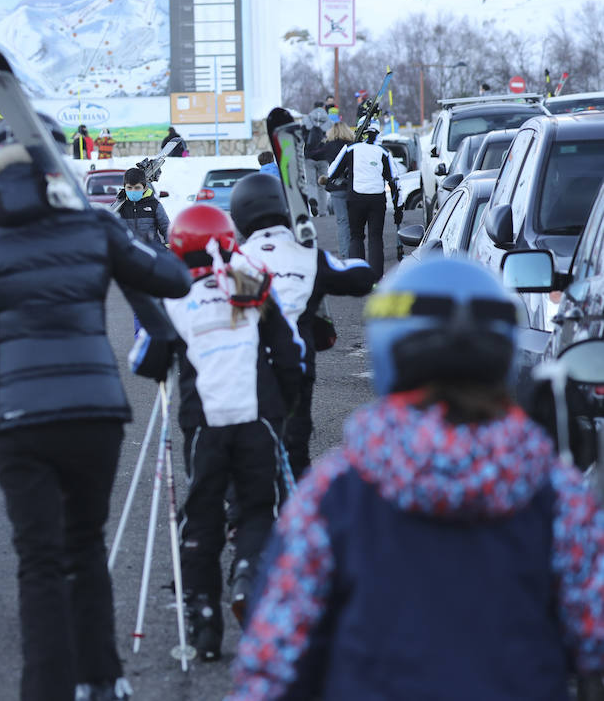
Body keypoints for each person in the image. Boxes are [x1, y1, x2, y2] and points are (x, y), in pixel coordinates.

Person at [0, 120, 192, 701]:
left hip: (19, 420)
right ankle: (103, 680)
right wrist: (116, 237)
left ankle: (48, 689)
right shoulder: (95, 225)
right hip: (95, 415)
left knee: (39, 560)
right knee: (84, 544)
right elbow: (174, 278)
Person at [229, 258, 604, 700]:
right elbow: (593, 636)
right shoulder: (557, 494)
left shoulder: (333, 495)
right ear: (500, 349)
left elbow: (271, 663)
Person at [144, 204, 305, 662]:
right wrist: (285, 407)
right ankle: (250, 576)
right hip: (259, 417)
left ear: (177, 246)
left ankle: (204, 623)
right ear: (229, 240)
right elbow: (290, 353)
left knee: (203, 513)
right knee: (258, 507)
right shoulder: (249, 282)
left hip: (204, 422)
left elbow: (147, 361)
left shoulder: (173, 295)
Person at [231, 172, 377, 475]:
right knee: (293, 450)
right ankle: (296, 512)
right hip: (296, 370)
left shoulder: (235, 259)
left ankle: (242, 514)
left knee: (248, 452)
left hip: (244, 371)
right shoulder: (309, 256)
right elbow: (362, 277)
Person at [324, 126, 400, 276]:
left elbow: (332, 172)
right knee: (375, 238)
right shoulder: (383, 151)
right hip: (377, 198)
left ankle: (357, 275)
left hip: (356, 197)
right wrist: (398, 207)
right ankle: (376, 277)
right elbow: (394, 179)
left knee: (356, 236)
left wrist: (344, 176)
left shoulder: (350, 148)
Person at [313, 121, 356, 258]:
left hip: (337, 188)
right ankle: (356, 252)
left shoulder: (328, 146)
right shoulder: (352, 146)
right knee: (355, 223)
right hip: (353, 187)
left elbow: (312, 155)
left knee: (342, 222)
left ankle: (345, 254)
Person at [114, 165, 169, 247]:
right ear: (124, 188)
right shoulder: (119, 207)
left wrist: (169, 246)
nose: (133, 191)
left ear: (145, 188)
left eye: (137, 188)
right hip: (128, 253)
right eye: (129, 188)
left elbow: (166, 227)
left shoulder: (154, 205)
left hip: (152, 252)